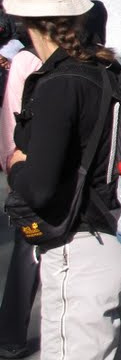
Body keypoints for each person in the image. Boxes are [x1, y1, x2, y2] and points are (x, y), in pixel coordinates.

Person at [4, 0, 121, 358]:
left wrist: (16, 166)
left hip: (79, 251)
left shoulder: (57, 84)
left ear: (26, 22)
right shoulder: (109, 70)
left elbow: (41, 187)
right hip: (120, 239)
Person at [0, 38, 40, 360]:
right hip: (42, 166)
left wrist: (10, 161)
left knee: (27, 247)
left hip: (25, 163)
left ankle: (11, 336)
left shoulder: (25, 60)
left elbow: (9, 115)